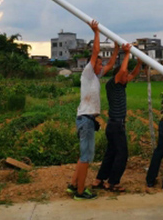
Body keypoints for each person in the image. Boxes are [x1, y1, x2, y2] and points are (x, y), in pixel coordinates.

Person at [67, 20, 120, 200]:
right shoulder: (88, 73)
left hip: (87, 120)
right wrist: (96, 32)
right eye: (99, 63)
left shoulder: (95, 77)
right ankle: (80, 192)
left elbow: (111, 64)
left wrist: (117, 48)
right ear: (93, 65)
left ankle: (73, 185)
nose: (102, 64)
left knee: (83, 156)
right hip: (86, 120)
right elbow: (96, 52)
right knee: (86, 158)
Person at [92, 43, 142, 192]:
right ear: (118, 76)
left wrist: (138, 62)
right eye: (124, 76)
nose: (128, 77)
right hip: (116, 125)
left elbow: (132, 73)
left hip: (113, 125)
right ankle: (113, 182)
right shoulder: (113, 84)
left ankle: (99, 179)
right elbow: (124, 71)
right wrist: (126, 54)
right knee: (122, 154)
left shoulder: (120, 84)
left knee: (111, 153)